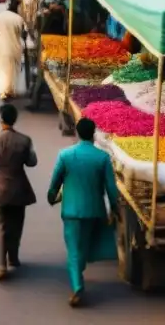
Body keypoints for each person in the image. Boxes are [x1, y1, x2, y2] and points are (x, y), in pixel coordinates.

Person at [48, 118, 119, 307]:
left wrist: (52, 195)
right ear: (94, 133)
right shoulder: (102, 157)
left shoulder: (65, 155)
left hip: (71, 212)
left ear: (77, 133)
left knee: (73, 250)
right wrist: (115, 209)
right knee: (84, 246)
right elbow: (112, 189)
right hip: (94, 211)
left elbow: (55, 181)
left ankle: (77, 286)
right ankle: (78, 275)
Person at [0, 104, 37, 281]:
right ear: (14, 119)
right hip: (19, 189)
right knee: (16, 223)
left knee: (0, 225)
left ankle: (1, 265)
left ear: (1, 119)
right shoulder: (24, 140)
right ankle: (13, 257)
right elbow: (31, 162)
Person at [0, 0, 27, 100]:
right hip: (16, 49)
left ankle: (4, 92)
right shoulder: (19, 19)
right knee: (13, 71)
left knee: (3, 70)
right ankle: (11, 91)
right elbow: (24, 35)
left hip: (2, 48)